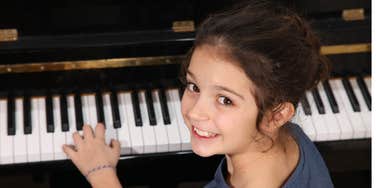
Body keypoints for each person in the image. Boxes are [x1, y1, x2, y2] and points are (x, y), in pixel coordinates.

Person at [62, 1, 334, 187]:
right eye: (194, 86)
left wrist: (101, 174)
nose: (194, 112)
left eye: (225, 100)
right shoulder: (290, 135)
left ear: (276, 115)